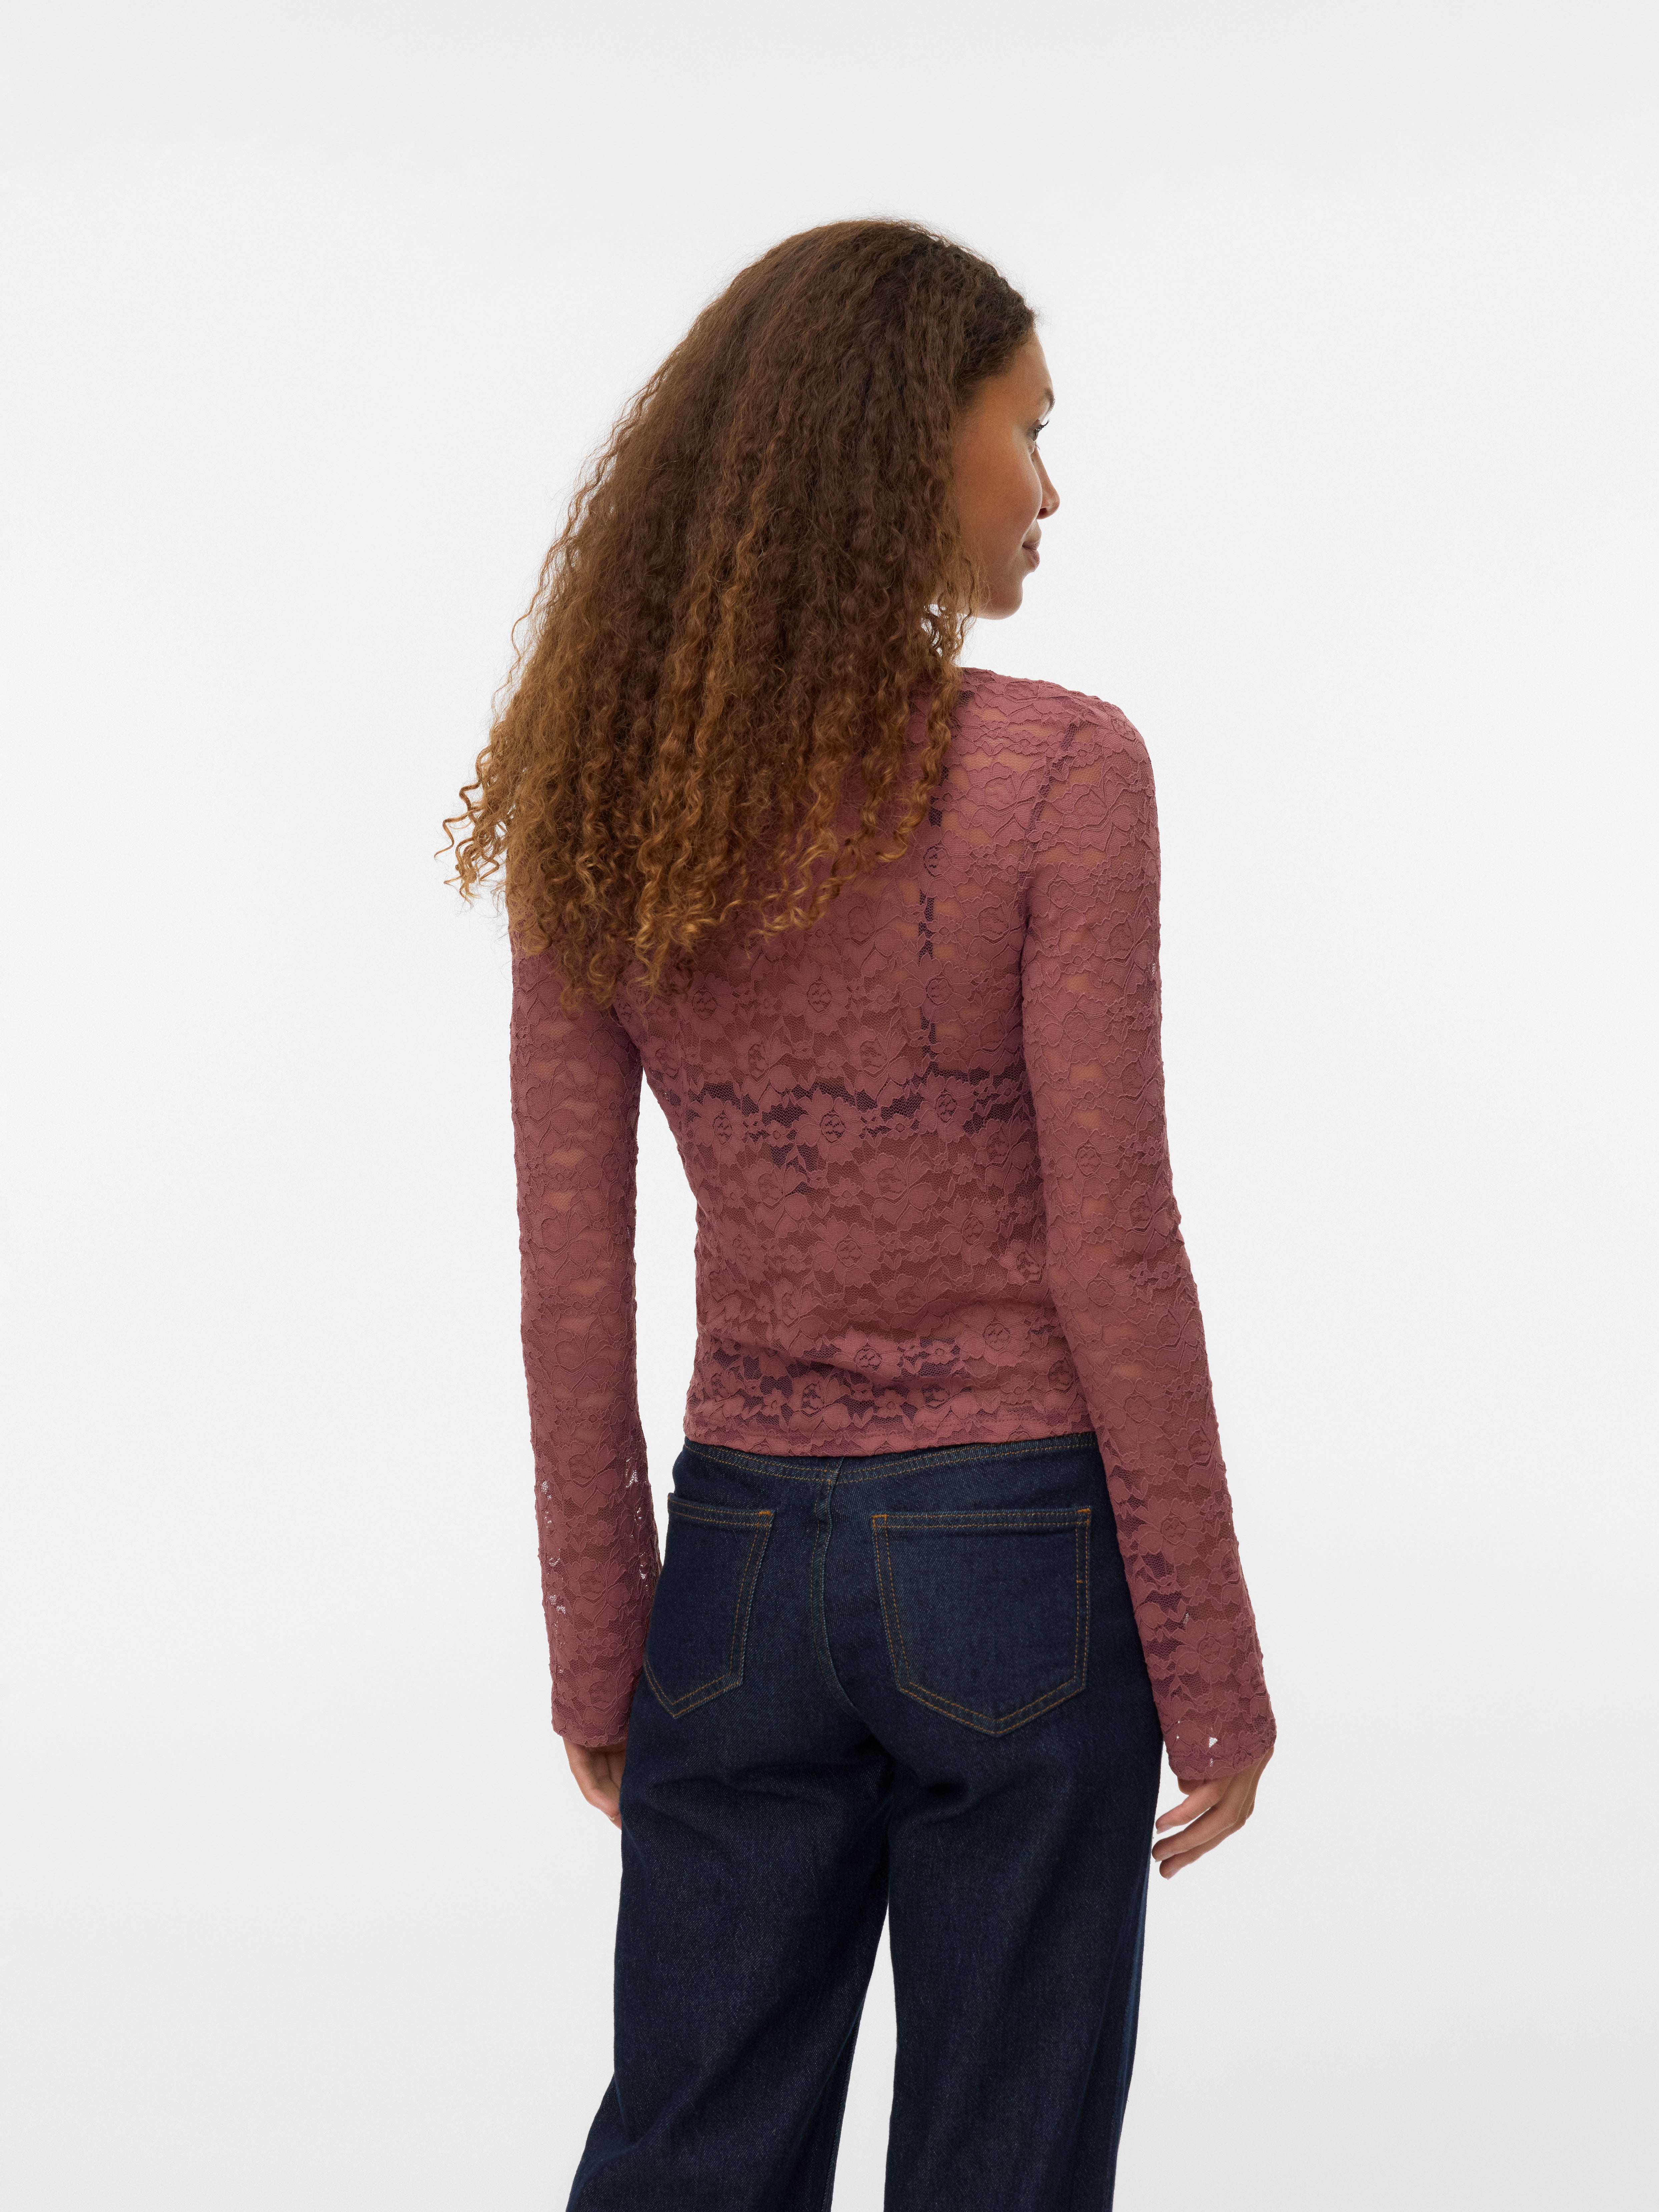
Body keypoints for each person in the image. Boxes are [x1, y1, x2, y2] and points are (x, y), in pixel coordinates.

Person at [446, 217, 1275, 2211]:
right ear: (914, 443)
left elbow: (571, 1281)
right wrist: (1214, 1666)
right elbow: (1115, 1246)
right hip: (1020, 1566)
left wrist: (602, 1650)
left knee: (690, 2154)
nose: (1051, 490)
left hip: (736, 1579)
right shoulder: (1061, 771)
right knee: (1006, 2168)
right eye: (1030, 429)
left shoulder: (602, 796)